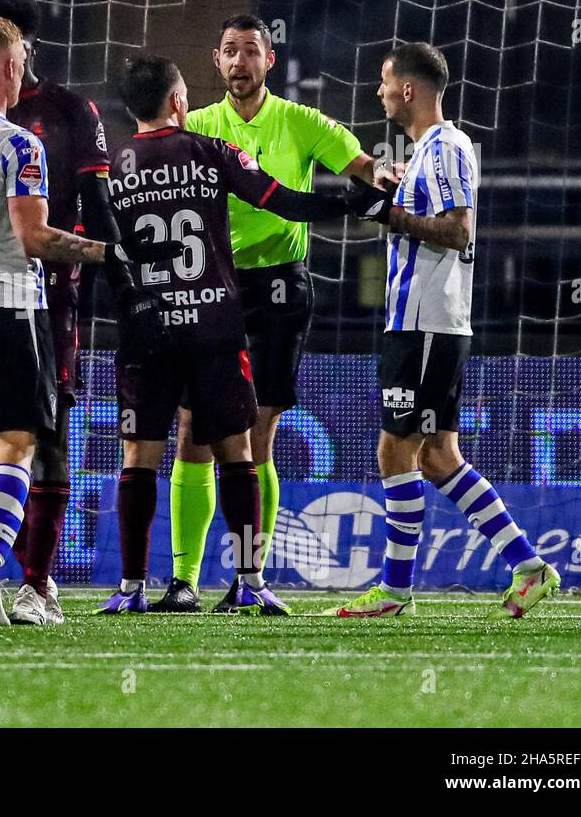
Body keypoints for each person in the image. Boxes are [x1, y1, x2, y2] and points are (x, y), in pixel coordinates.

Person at [96, 55, 385, 615]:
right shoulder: (210, 152)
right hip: (213, 322)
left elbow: (98, 244)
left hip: (147, 327)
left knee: (140, 456)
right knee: (238, 449)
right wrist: (357, 204)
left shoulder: (115, 166)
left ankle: (133, 587)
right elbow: (286, 202)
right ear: (180, 102)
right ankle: (250, 579)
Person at [0, 14, 177, 626]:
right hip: (8, 304)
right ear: (10, 67)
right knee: (17, 445)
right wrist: (108, 252)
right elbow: (33, 238)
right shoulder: (18, 142)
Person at [331, 43, 559, 618]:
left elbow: (459, 232)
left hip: (426, 324)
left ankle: (395, 590)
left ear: (408, 89)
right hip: (424, 323)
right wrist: (391, 202)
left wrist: (388, 216)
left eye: (385, 82)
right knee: (437, 457)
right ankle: (529, 568)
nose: (380, 92)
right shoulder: (430, 152)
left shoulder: (449, 147)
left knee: (396, 450)